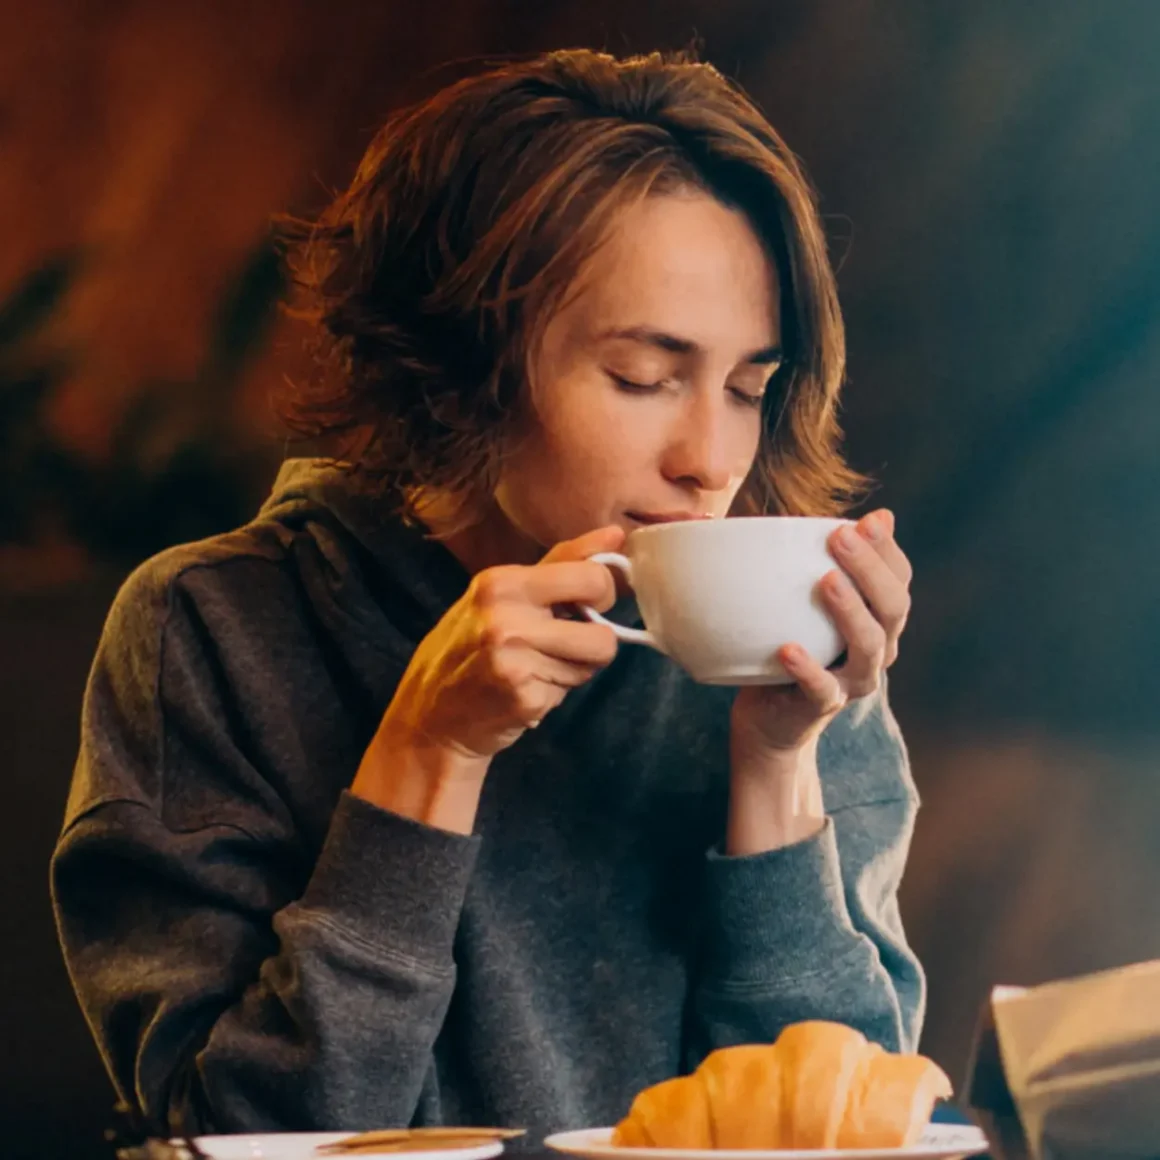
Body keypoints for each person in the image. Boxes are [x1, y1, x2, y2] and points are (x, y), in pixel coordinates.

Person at [52, 49, 922, 1140]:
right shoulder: (216, 625)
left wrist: (776, 766)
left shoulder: (792, 641)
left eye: (749, 386)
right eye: (643, 378)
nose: (712, 457)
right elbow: (242, 1129)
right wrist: (429, 753)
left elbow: (850, 1122)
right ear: (459, 359)